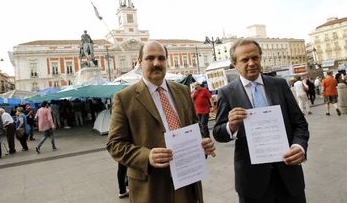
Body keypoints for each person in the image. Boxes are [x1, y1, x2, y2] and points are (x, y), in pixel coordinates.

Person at [107, 41, 215, 203]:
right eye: (150, 58)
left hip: (188, 182)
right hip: (151, 188)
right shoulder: (124, 98)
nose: (157, 63)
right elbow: (114, 144)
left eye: (161, 58)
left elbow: (194, 128)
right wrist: (147, 156)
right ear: (139, 62)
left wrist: (202, 143)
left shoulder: (183, 91)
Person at [213, 39, 309, 203]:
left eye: (255, 58)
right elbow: (218, 133)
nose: (251, 63)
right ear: (234, 64)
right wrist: (231, 126)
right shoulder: (226, 92)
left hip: (288, 176)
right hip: (252, 182)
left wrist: (299, 146)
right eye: (245, 60)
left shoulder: (279, 84)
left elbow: (300, 124)